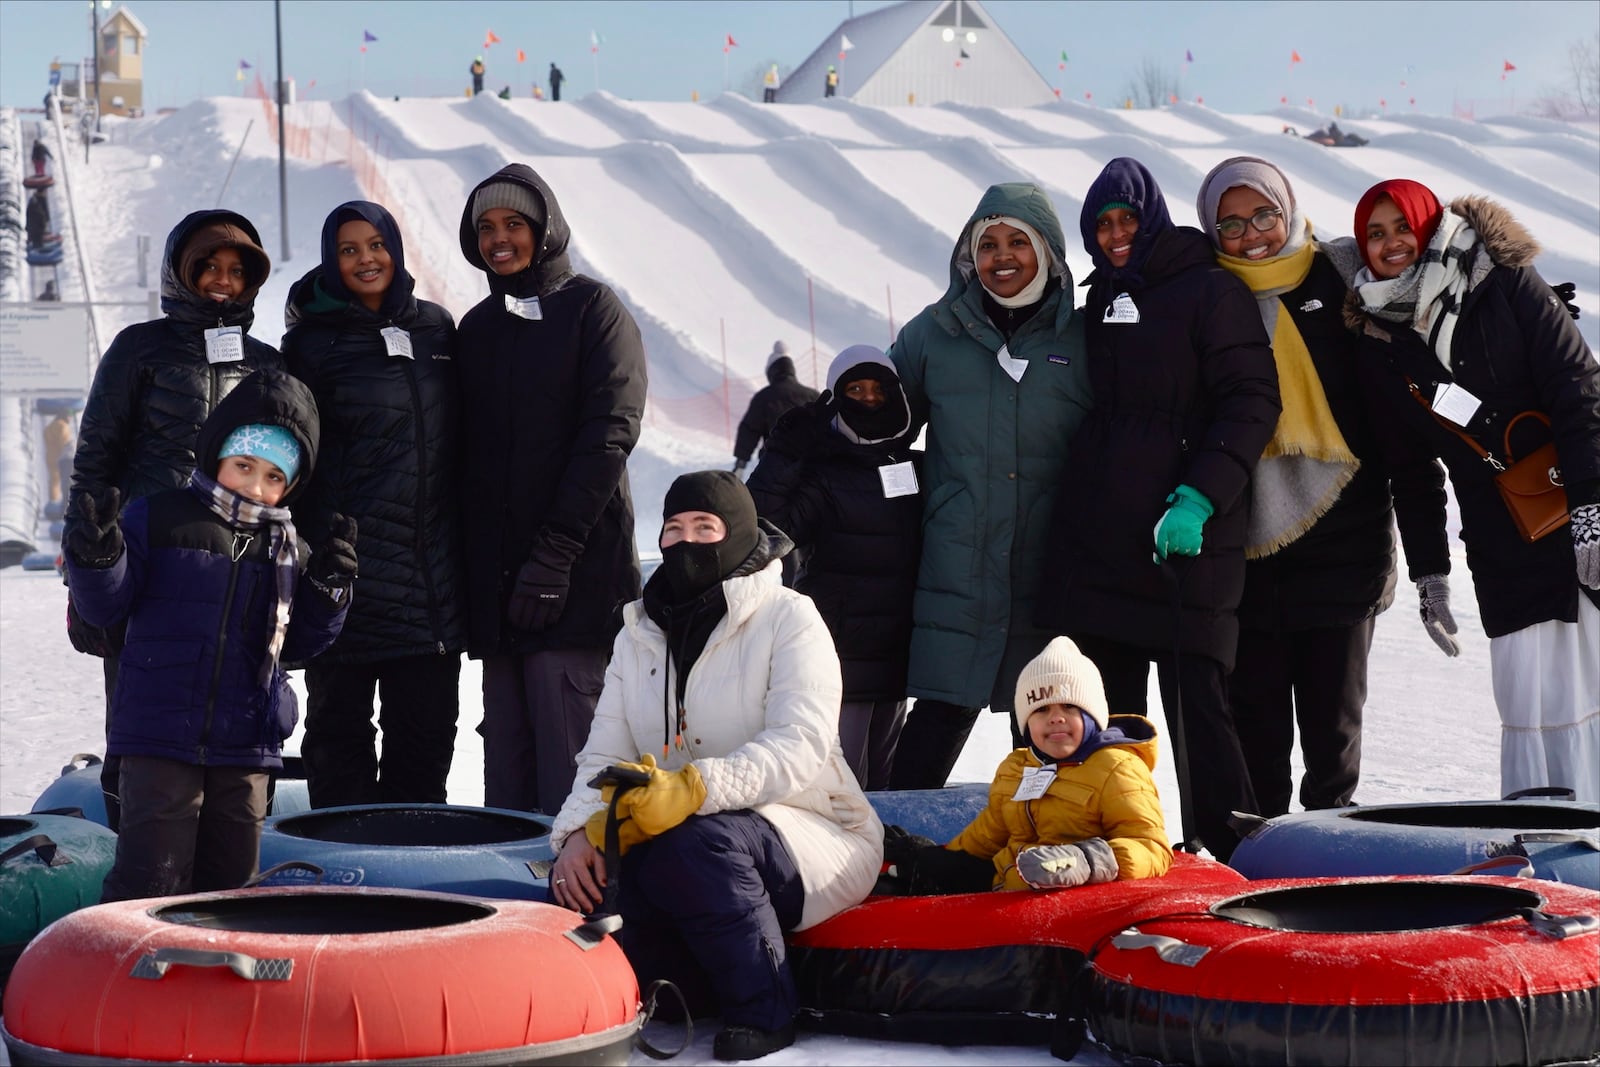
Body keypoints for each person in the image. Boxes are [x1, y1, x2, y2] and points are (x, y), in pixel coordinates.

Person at [548, 471, 883, 1063]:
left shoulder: (790, 618)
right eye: (673, 530)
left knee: (699, 843)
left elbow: (800, 743)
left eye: (706, 527)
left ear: (741, 534)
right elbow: (603, 756)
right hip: (682, 834)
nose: (687, 543)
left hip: (813, 831)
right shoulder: (639, 633)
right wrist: (577, 834)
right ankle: (684, 988)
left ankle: (767, 1012)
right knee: (595, 884)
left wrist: (694, 786)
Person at [1035, 158, 1280, 863]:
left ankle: (1236, 860)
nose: (1115, 236)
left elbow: (1252, 398)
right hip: (1105, 544)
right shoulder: (1100, 302)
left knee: (1200, 713)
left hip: (1183, 543)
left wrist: (1202, 494)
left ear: (1153, 221)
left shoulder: (1209, 291)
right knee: (1110, 726)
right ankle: (1120, 851)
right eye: (1102, 225)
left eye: (1126, 221)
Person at [1192, 157, 1447, 817]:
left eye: (1265, 216)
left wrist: (1430, 561)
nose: (1253, 236)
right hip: (1247, 559)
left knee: (1334, 751)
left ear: (1289, 206)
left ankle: (1331, 883)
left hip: (1346, 551)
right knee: (1258, 746)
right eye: (1233, 224)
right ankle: (1264, 885)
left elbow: (1403, 422)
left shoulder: (1343, 281)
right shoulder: (1208, 300)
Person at [1346, 179, 1600, 802]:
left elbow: (1579, 388)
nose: (1391, 244)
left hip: (1579, 519)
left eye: (1401, 227)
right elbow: (1410, 470)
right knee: (1532, 700)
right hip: (1501, 542)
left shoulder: (1503, 280)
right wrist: (1431, 572)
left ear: (1428, 225)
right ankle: (1554, 850)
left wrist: (1593, 510)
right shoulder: (1379, 342)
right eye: (1375, 235)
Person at [64, 369, 355, 902]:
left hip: (246, 743)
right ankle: (132, 977)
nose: (255, 485)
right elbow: (106, 605)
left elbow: (301, 644)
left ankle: (224, 983)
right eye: (244, 465)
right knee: (149, 881)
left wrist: (331, 590)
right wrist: (98, 555)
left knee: (231, 890)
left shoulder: (290, 549)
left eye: (273, 476)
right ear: (217, 453)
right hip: (160, 736)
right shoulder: (160, 518)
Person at [66, 209, 281, 832]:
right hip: (145, 568)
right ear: (181, 271)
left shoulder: (268, 364)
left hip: (237, 577)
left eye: (236, 270)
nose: (222, 280)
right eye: (209, 266)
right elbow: (95, 461)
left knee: (235, 725)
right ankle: (129, 859)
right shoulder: (141, 348)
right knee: (139, 726)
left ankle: (232, 870)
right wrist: (83, 578)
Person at [455, 164, 648, 815]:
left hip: (574, 583)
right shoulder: (478, 328)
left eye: (514, 224)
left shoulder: (592, 309)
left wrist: (556, 554)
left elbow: (609, 435)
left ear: (545, 231)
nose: (499, 239)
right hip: (500, 596)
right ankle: (512, 901)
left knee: (571, 765)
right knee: (506, 769)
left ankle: (588, 906)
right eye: (486, 227)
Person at [887, 181, 1091, 790]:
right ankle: (892, 856)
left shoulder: (1081, 340)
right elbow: (880, 427)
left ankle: (1046, 866)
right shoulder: (933, 335)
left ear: (1048, 251)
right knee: (939, 719)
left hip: (1048, 567)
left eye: (1018, 242)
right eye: (988, 244)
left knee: (1045, 729)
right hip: (958, 566)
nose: (1002, 257)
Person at [281, 200, 466, 809]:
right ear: (332, 261)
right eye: (349, 249)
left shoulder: (437, 330)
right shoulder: (309, 345)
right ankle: (342, 888)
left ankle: (419, 891)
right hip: (346, 580)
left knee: (425, 747)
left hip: (428, 585)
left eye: (376, 245)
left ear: (396, 248)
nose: (366, 259)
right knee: (338, 747)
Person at [746, 344, 922, 790]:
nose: (866, 398)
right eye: (854, 388)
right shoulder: (822, 472)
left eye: (877, 388)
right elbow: (765, 528)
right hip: (841, 649)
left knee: (889, 789)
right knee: (840, 786)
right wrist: (784, 453)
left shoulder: (916, 465)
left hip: (901, 650)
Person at [884, 636, 1172, 894]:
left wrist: (1087, 860)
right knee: (920, 869)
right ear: (1025, 722)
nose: (1055, 717)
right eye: (1042, 709)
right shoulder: (1017, 767)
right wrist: (938, 858)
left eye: (1069, 707)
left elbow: (1151, 846)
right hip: (1011, 884)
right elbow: (987, 834)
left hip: (1077, 896)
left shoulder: (1116, 767)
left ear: (1092, 716)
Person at [732, 340, 818, 475]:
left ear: (771, 372)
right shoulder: (813, 396)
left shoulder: (764, 397)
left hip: (772, 467)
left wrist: (740, 463)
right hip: (810, 467)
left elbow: (749, 429)